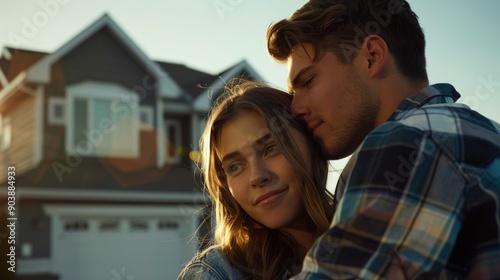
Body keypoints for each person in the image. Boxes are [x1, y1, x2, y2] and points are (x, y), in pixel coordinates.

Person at [266, 0, 500, 279]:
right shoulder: (476, 132)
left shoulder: (409, 141)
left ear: (372, 57)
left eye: (308, 82)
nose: (295, 108)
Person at [177, 80, 335, 280]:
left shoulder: (372, 232)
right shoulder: (216, 274)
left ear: (310, 143)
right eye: (235, 167)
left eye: (271, 148)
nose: (257, 177)